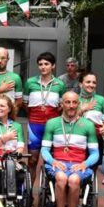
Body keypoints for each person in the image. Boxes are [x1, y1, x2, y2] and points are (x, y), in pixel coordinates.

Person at [40, 91, 99, 207]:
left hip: (79, 164)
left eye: (74, 102)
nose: (71, 106)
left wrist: (85, 164)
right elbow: (45, 149)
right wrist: (52, 160)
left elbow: (95, 153)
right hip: (57, 163)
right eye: (67, 102)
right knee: (61, 177)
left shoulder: (88, 125)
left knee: (73, 180)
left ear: (78, 104)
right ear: (62, 104)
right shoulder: (52, 123)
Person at [23, 52, 65, 182]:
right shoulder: (30, 82)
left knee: (51, 160)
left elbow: (61, 106)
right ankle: (29, 191)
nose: (43, 67)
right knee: (32, 160)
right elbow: (25, 104)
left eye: (46, 64)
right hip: (34, 125)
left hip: (53, 127)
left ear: (53, 66)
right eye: (40, 64)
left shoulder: (59, 84)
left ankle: (49, 189)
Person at [77, 72, 104, 158]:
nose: (91, 85)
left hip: (95, 138)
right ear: (80, 84)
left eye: (94, 82)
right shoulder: (74, 99)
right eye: (88, 82)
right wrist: (83, 109)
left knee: (95, 164)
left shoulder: (101, 100)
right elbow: (67, 119)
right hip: (77, 138)